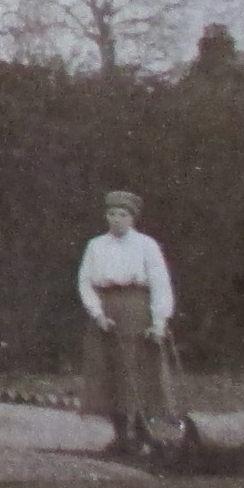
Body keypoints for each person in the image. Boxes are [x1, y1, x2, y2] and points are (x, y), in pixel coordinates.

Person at [77, 189, 174, 454]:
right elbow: (85, 282)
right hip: (107, 313)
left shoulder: (147, 245)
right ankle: (121, 436)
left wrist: (159, 322)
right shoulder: (95, 245)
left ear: (133, 218)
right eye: (111, 214)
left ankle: (145, 433)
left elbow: (159, 283)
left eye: (123, 214)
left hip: (137, 311)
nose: (116, 219)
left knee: (140, 370)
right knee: (111, 372)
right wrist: (97, 314)